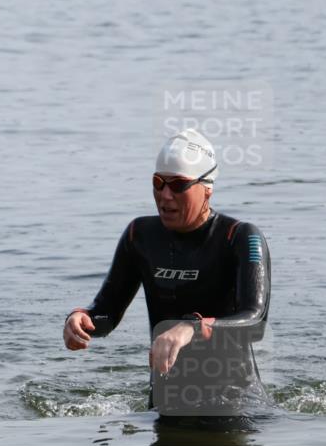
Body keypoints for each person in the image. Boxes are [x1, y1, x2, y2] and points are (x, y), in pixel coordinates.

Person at [62, 129, 272, 418]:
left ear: (207, 188)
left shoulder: (239, 237)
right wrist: (81, 320)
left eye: (178, 185)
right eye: (158, 183)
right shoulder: (140, 235)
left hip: (235, 405)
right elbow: (106, 314)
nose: (165, 195)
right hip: (166, 405)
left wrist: (192, 327)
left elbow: (255, 322)